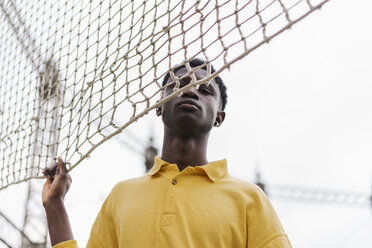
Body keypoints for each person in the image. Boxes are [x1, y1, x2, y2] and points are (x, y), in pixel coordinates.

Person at [42, 58, 292, 248]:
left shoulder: (249, 198)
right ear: (159, 106)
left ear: (219, 117)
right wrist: (55, 207)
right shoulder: (121, 195)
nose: (191, 90)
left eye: (205, 90)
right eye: (179, 84)